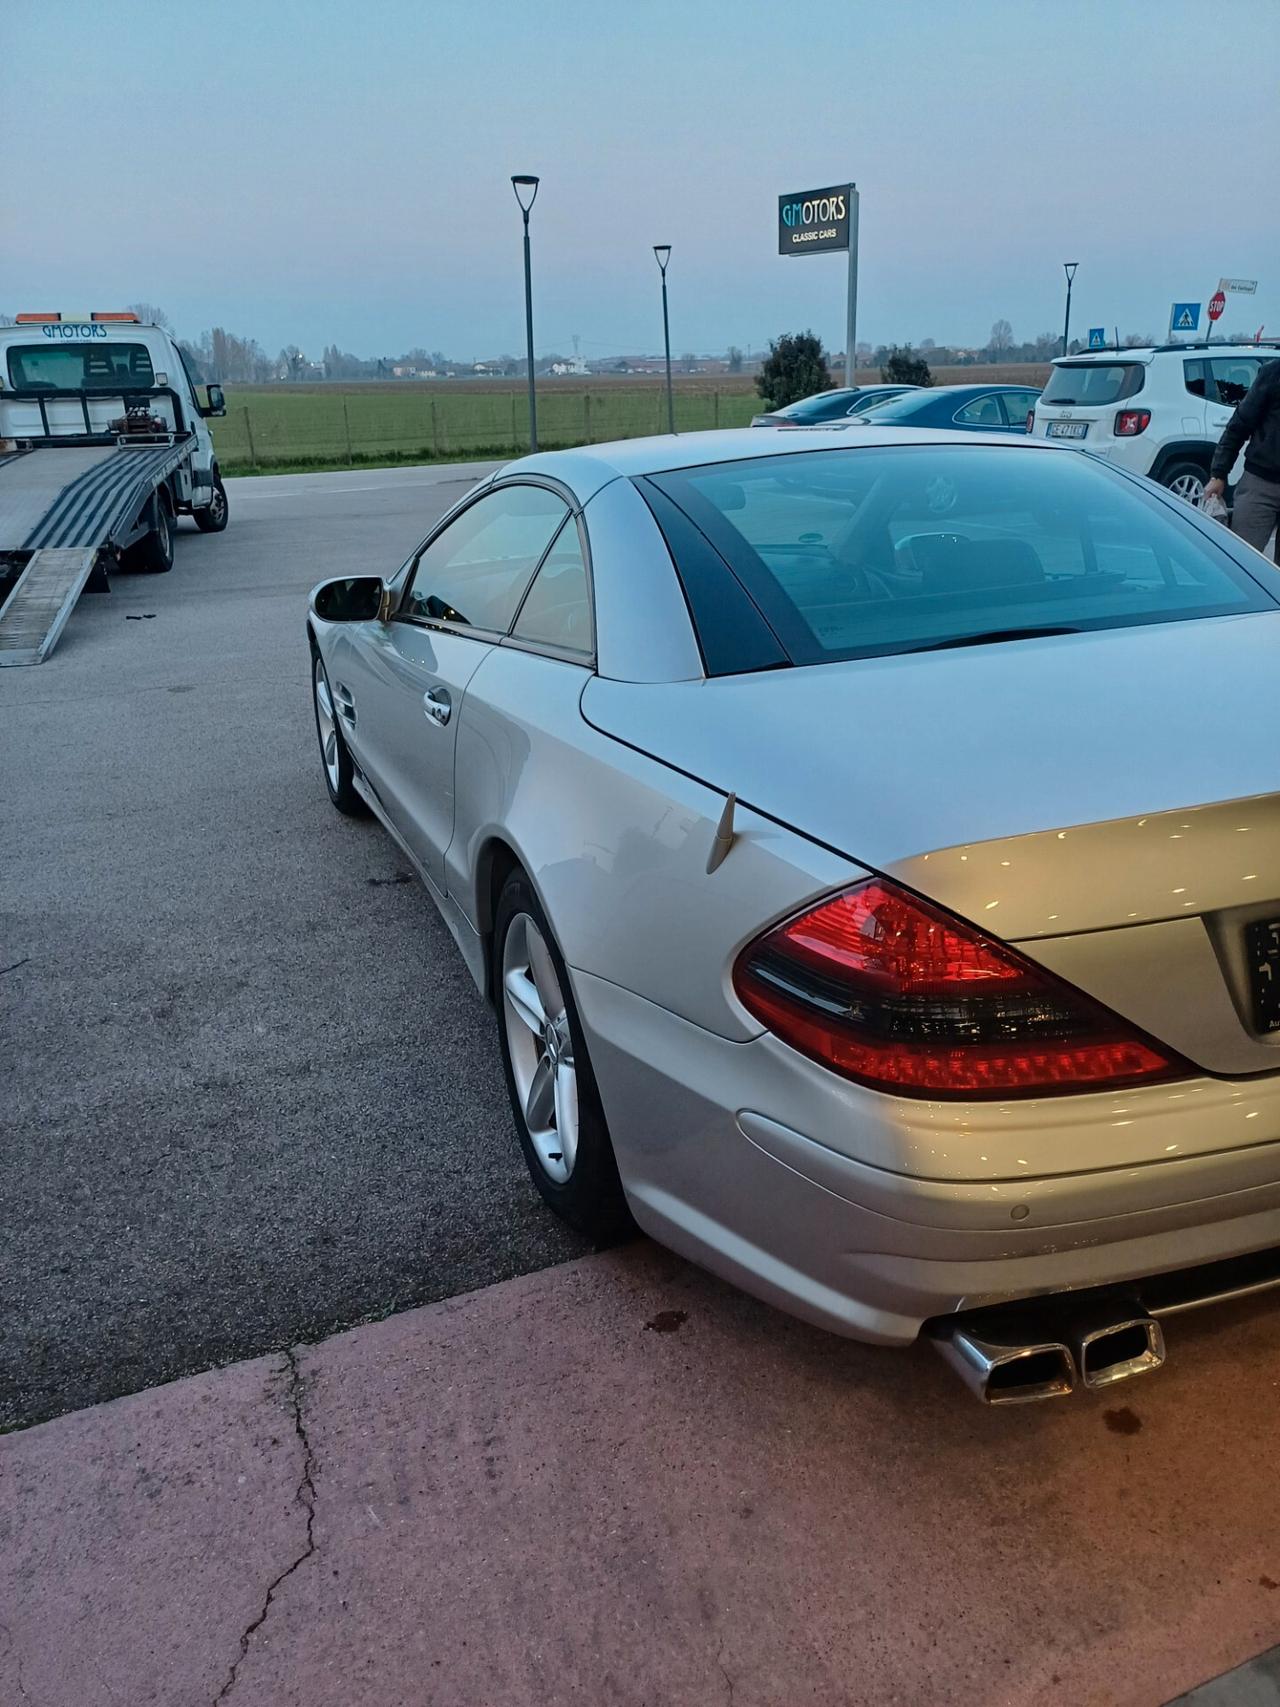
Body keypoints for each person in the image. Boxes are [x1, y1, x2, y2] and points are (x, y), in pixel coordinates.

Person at [1204, 358, 1280, 559]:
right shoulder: (1273, 373)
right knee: (1242, 561)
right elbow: (1240, 424)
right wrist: (1218, 474)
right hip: (1261, 484)